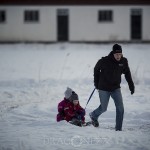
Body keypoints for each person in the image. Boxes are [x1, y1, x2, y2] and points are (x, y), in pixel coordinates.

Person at [89, 44, 135, 131]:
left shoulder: (123, 61)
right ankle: (93, 115)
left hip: (115, 88)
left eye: (120, 54)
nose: (118, 56)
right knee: (103, 108)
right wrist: (96, 83)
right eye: (116, 54)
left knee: (120, 108)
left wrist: (131, 85)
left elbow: (127, 73)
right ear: (113, 54)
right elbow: (96, 69)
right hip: (103, 88)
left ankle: (118, 129)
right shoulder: (104, 61)